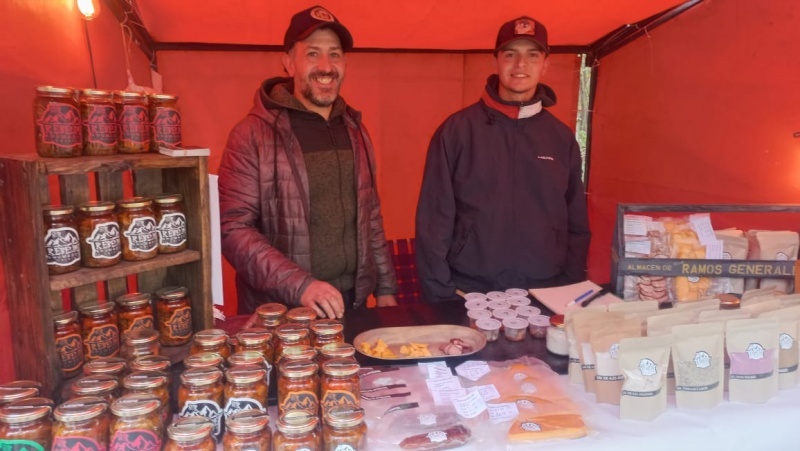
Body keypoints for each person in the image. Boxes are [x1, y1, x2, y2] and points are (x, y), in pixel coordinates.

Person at [218, 5, 398, 318]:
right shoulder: (251, 134)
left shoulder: (355, 128)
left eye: (335, 54)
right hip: (282, 313)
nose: (326, 66)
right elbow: (233, 230)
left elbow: (371, 215)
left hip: (353, 304)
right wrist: (301, 286)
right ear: (288, 62)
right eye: (313, 53)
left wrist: (385, 288)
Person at [415, 16, 591, 302]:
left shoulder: (561, 138)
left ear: (545, 64)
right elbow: (433, 222)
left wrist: (570, 288)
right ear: (496, 60)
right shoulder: (457, 131)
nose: (521, 64)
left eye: (532, 55)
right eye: (511, 54)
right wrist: (441, 295)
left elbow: (576, 222)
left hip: (544, 291)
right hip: (469, 291)